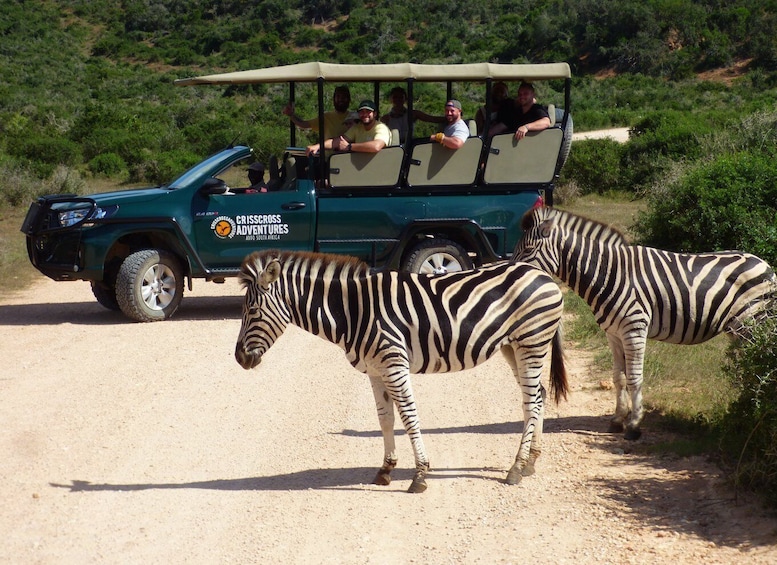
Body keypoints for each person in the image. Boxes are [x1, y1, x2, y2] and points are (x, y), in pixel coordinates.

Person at [306, 100, 391, 156]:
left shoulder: (381, 128)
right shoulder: (357, 128)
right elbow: (339, 141)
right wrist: (317, 146)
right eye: (362, 112)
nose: (365, 114)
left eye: (368, 111)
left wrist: (349, 147)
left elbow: (376, 146)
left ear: (375, 114)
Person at [282, 85, 351, 141]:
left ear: (349, 99)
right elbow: (304, 124)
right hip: (330, 157)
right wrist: (291, 115)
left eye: (344, 97)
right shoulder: (326, 117)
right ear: (334, 99)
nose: (341, 99)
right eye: (338, 96)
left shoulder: (354, 118)